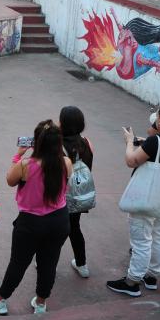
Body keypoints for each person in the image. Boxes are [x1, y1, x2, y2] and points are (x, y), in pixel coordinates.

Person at [0, 120, 72, 315]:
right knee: (49, 262)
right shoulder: (66, 163)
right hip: (59, 220)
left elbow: (9, 180)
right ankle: (40, 303)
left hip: (30, 223)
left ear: (36, 143)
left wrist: (18, 155)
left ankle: (1, 299)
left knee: (19, 262)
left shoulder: (25, 165)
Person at [106, 103, 160, 297]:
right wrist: (145, 143)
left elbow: (131, 160)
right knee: (159, 235)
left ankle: (132, 282)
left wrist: (128, 142)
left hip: (146, 199)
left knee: (141, 240)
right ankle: (151, 276)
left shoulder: (156, 141)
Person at [60, 106, 94, 279]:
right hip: (79, 195)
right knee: (74, 228)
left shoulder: (58, 145)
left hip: (61, 197)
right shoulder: (87, 143)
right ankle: (82, 264)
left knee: (56, 230)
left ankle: (46, 260)